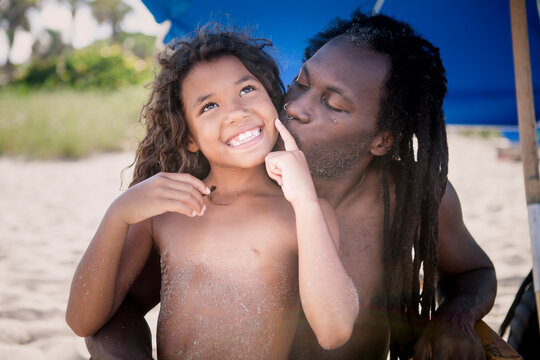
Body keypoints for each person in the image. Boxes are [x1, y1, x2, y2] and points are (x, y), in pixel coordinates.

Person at [85, 9, 497, 360]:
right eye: (301, 81)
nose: (296, 106)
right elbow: (109, 312)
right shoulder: (226, 186)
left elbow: (474, 271)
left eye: (332, 104)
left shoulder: (412, 195)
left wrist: (455, 316)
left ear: (382, 140)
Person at [66, 26, 359, 359]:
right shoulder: (166, 211)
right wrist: (118, 214)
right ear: (188, 137)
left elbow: (334, 331)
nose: (235, 112)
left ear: (272, 99)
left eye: (247, 89)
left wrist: (305, 200)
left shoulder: (304, 213)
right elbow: (81, 320)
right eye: (208, 107)